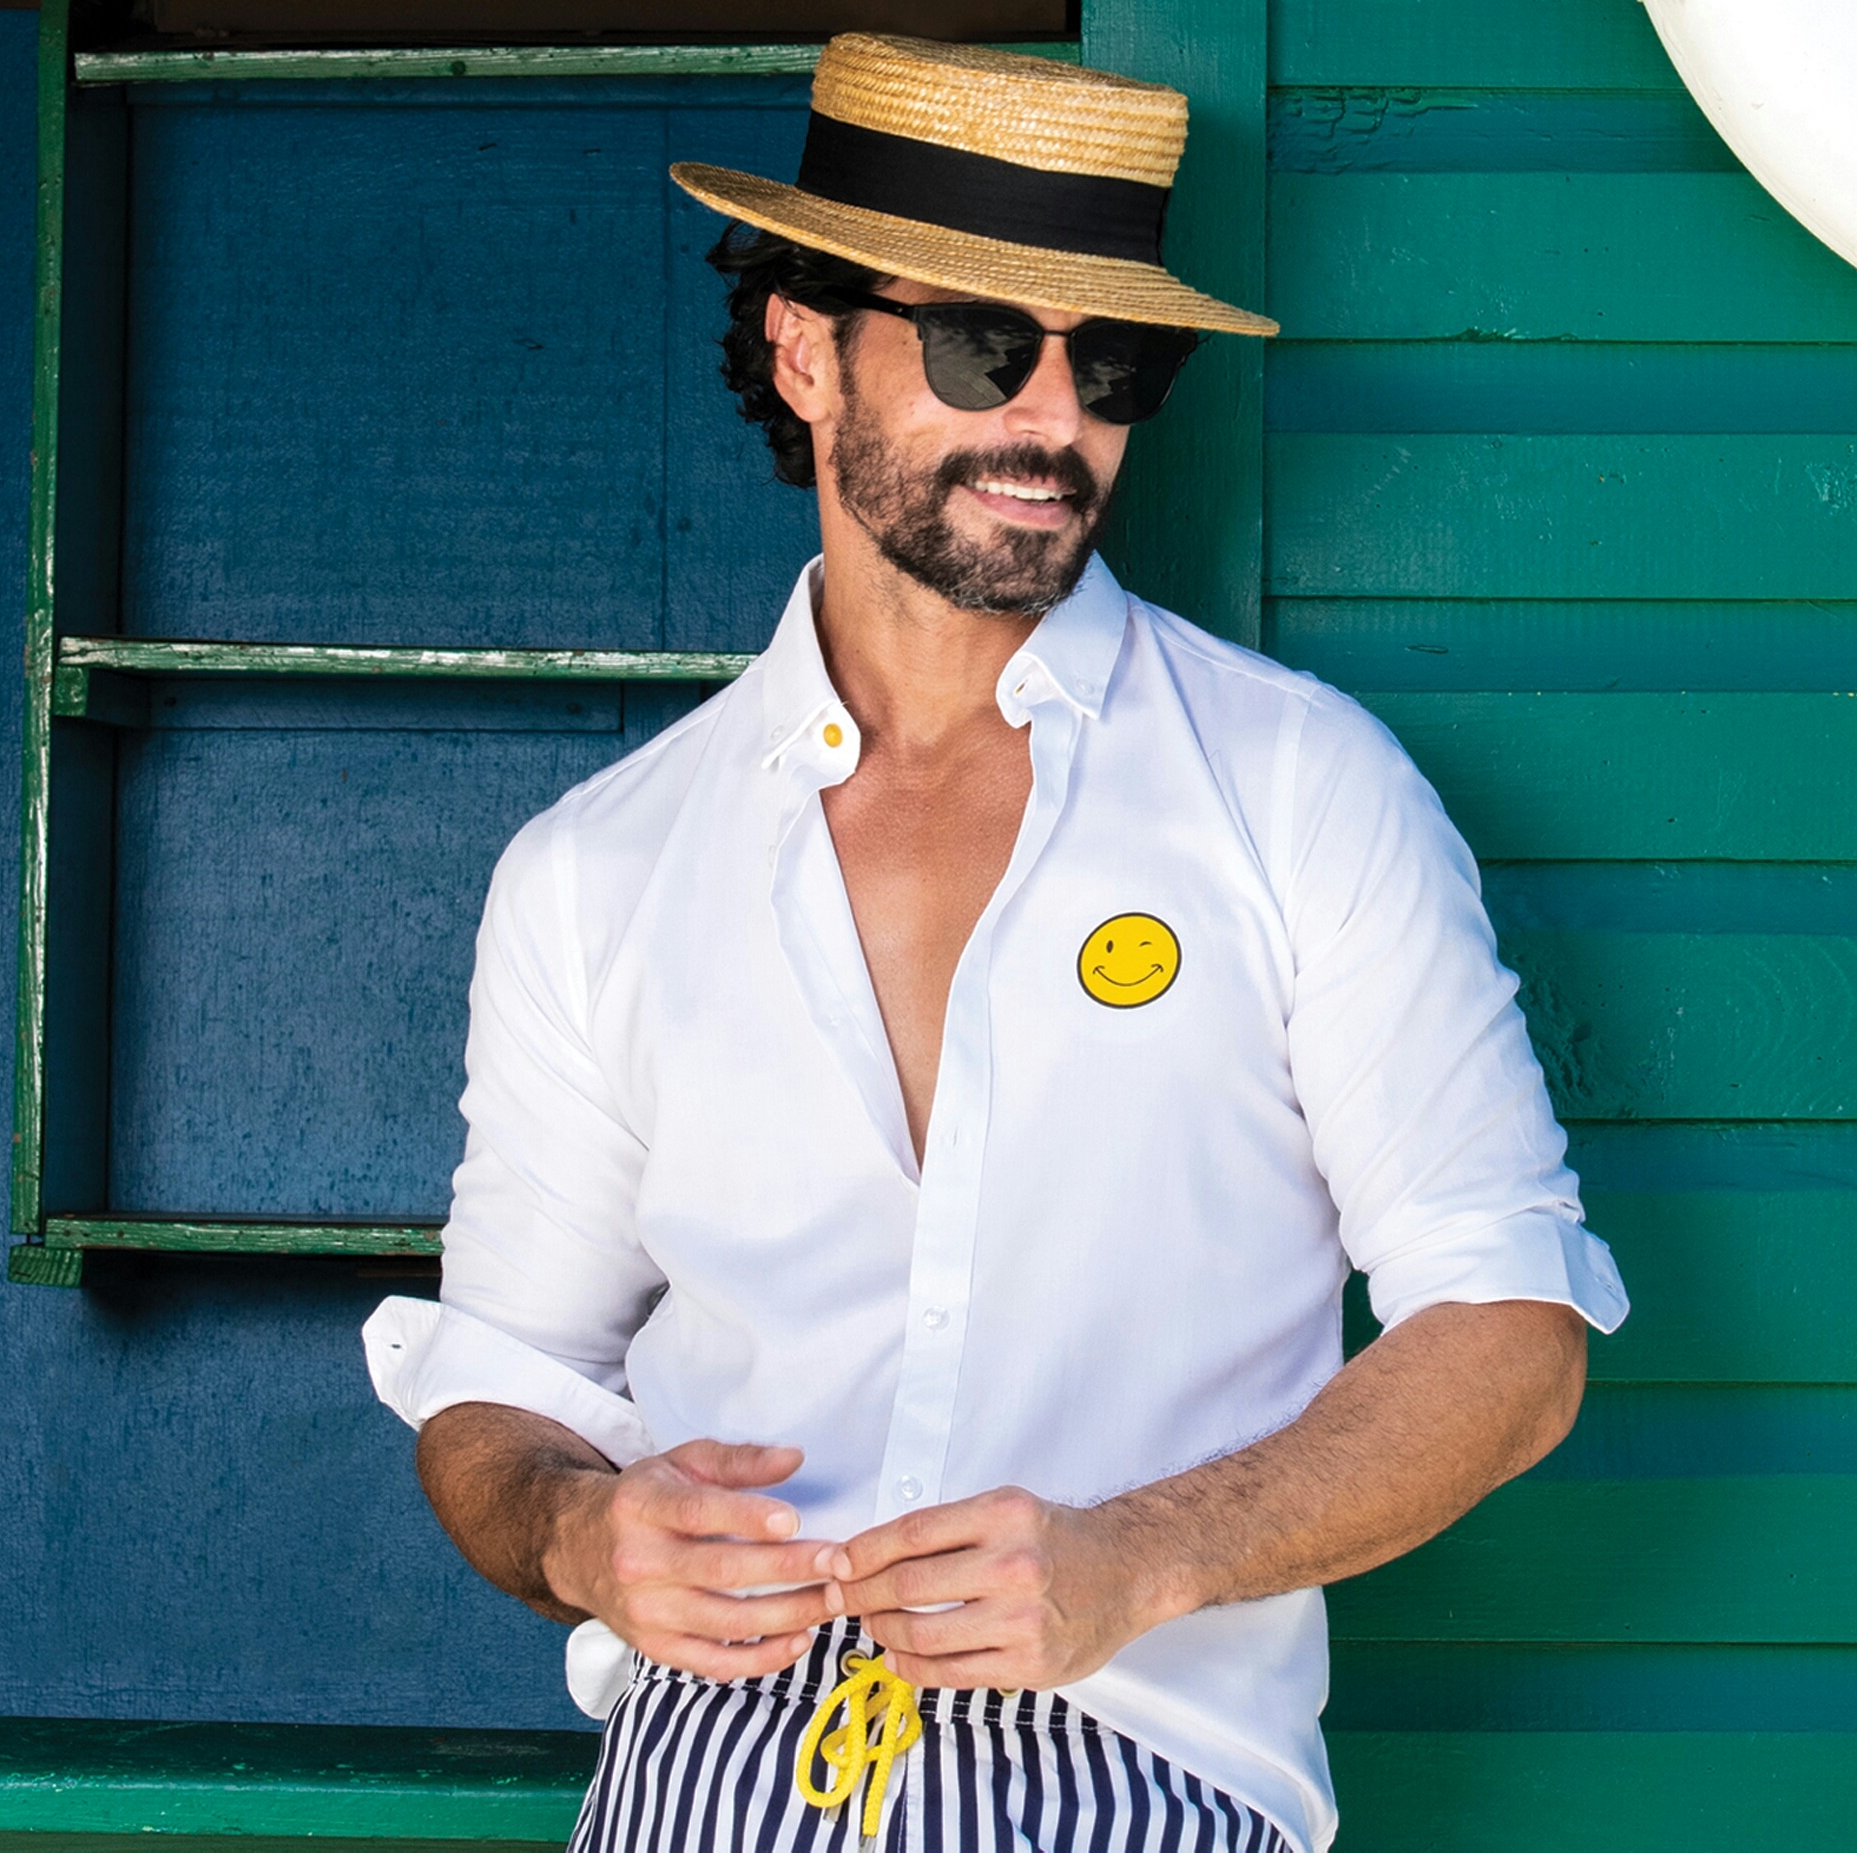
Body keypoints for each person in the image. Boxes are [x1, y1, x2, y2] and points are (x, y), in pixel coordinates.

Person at [364, 33, 1628, 1853]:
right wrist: (577, 1531)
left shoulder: (1296, 786)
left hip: (1147, 1762)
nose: (1054, 422)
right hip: (707, 1769)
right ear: (806, 350)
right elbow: (500, 1382)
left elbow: (1507, 1329)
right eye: (980, 345)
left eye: (1109, 366)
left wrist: (1141, 1554)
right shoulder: (599, 866)